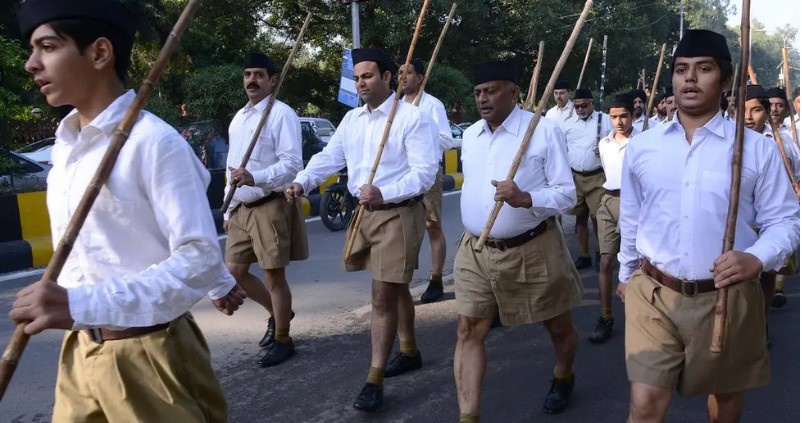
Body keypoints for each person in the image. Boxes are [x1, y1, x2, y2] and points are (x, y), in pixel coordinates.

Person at [11, 1, 246, 421]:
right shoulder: (64, 147)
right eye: (33, 49)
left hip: (150, 355)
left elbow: (198, 254)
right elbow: (127, 236)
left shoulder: (154, 142)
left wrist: (81, 302)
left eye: (47, 47)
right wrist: (75, 308)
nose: (32, 63)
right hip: (80, 352)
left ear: (100, 53)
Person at [617, 29, 799, 423]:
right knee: (645, 404)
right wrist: (626, 272)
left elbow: (786, 222)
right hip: (653, 294)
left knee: (724, 402)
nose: (690, 79)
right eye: (682, 70)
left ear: (726, 80)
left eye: (703, 69)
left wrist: (756, 258)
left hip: (725, 298)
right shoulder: (644, 147)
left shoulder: (756, 149)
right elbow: (631, 216)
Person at [286, 47, 437, 412]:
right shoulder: (352, 120)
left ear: (388, 77)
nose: (360, 83)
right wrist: (302, 181)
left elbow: (425, 173)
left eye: (367, 76)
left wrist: (386, 190)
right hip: (365, 213)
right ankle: (410, 350)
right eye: (356, 78)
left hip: (398, 212)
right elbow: (330, 157)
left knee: (382, 294)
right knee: (396, 287)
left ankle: (374, 379)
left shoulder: (412, 119)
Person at [453, 61, 582, 422]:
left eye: (491, 90)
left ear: (514, 92)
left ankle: (563, 373)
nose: (483, 98)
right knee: (467, 329)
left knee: (558, 327)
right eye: (478, 92)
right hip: (476, 250)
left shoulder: (542, 131)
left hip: (534, 247)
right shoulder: (470, 136)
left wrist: (527, 198)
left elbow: (567, 196)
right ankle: (469, 416)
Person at [224, 52, 308, 367]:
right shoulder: (239, 118)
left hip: (270, 205)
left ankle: (284, 340)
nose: (252, 80)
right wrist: (228, 210)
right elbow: (232, 170)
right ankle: (277, 313)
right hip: (242, 209)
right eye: (247, 74)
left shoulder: (282, 114)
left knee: (274, 276)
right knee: (234, 271)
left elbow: (292, 165)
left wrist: (256, 177)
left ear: (272, 80)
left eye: (259, 74)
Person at [398, 57, 453, 305]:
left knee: (432, 227)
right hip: (401, 176)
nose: (403, 77)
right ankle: (400, 281)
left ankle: (437, 279)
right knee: (403, 229)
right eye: (400, 72)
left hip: (428, 175)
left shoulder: (432, 105)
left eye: (408, 72)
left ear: (420, 77)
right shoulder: (396, 107)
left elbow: (446, 140)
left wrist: (423, 128)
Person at [743, 84, 800, 311]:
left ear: (765, 113)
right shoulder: (725, 143)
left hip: (769, 218)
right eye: (742, 110)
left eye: (756, 110)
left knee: (766, 271)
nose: (748, 117)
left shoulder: (783, 142)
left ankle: (762, 317)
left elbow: (797, 174)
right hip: (742, 219)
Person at [589, 93, 640, 344]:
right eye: (613, 117)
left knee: (638, 266)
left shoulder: (644, 141)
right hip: (608, 201)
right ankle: (605, 316)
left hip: (636, 204)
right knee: (606, 261)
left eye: (623, 116)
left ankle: (641, 317)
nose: (618, 121)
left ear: (633, 115)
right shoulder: (604, 144)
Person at [562, 88, 613, 270]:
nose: (580, 110)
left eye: (584, 105)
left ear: (592, 103)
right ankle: (584, 254)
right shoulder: (568, 124)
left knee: (598, 218)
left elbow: (617, 141)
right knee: (580, 218)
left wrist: (606, 148)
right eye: (577, 107)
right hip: (575, 177)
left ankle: (601, 252)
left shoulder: (605, 120)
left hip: (597, 176)